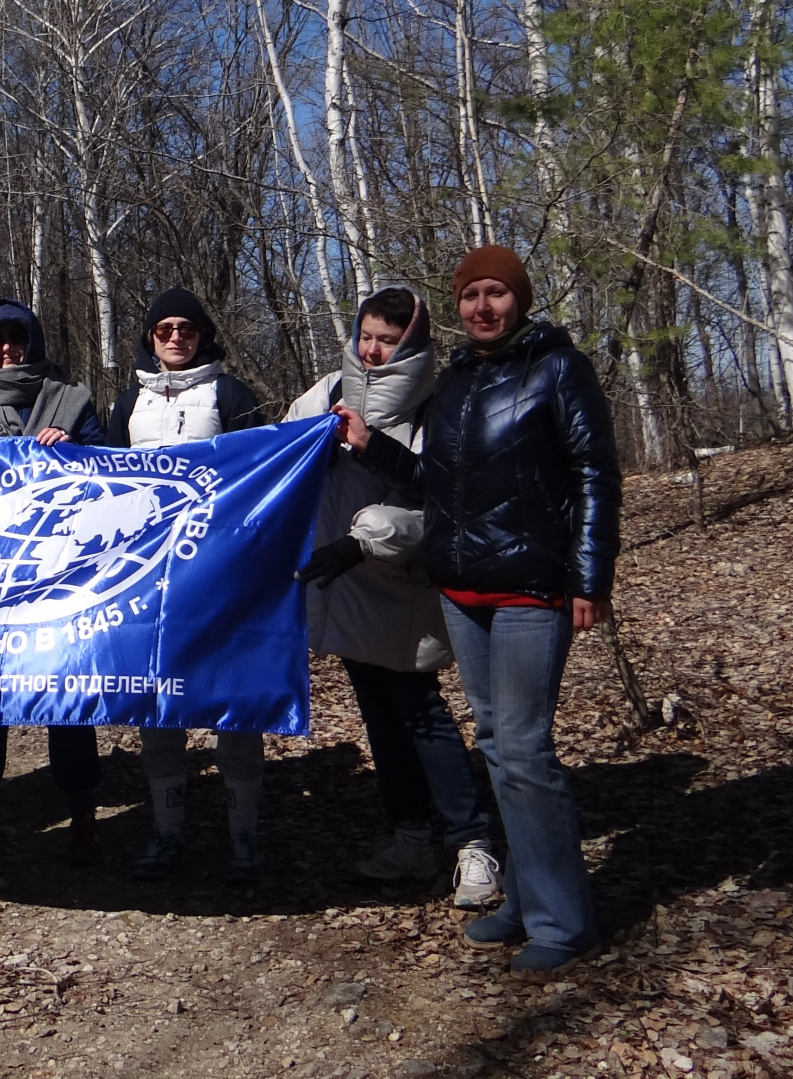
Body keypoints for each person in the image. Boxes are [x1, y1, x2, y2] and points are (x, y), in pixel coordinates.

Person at [336, 246, 621, 974]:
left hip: (531, 587)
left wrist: (589, 577)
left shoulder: (558, 368)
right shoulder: (459, 380)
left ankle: (564, 922)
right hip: (462, 591)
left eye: (496, 293)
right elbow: (437, 481)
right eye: (470, 296)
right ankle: (523, 900)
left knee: (525, 750)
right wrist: (371, 449)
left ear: (519, 299)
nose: (482, 307)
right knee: (496, 746)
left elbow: (594, 473)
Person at [288, 286, 502, 909]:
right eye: (368, 335)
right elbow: (274, 450)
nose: (374, 350)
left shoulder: (436, 404)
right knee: (379, 716)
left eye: (389, 339)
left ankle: (473, 843)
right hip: (343, 584)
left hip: (401, 586)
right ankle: (410, 836)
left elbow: (440, 504)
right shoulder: (329, 388)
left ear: (412, 343)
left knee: (421, 715)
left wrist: (362, 541)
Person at [105, 287, 266, 883]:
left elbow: (265, 473)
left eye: (187, 328)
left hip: (222, 575)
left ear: (204, 335)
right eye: (164, 327)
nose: (176, 336)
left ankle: (243, 834)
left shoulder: (232, 394)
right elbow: (105, 486)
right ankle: (167, 831)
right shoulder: (126, 404)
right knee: (158, 700)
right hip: (151, 581)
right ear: (150, 336)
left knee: (234, 700)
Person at [0, 297, 109, 873]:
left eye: (19, 339)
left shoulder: (72, 401)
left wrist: (77, 451)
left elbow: (113, 473)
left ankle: (84, 819)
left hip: (61, 576)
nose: (10, 349)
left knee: (66, 699)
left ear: (35, 343)